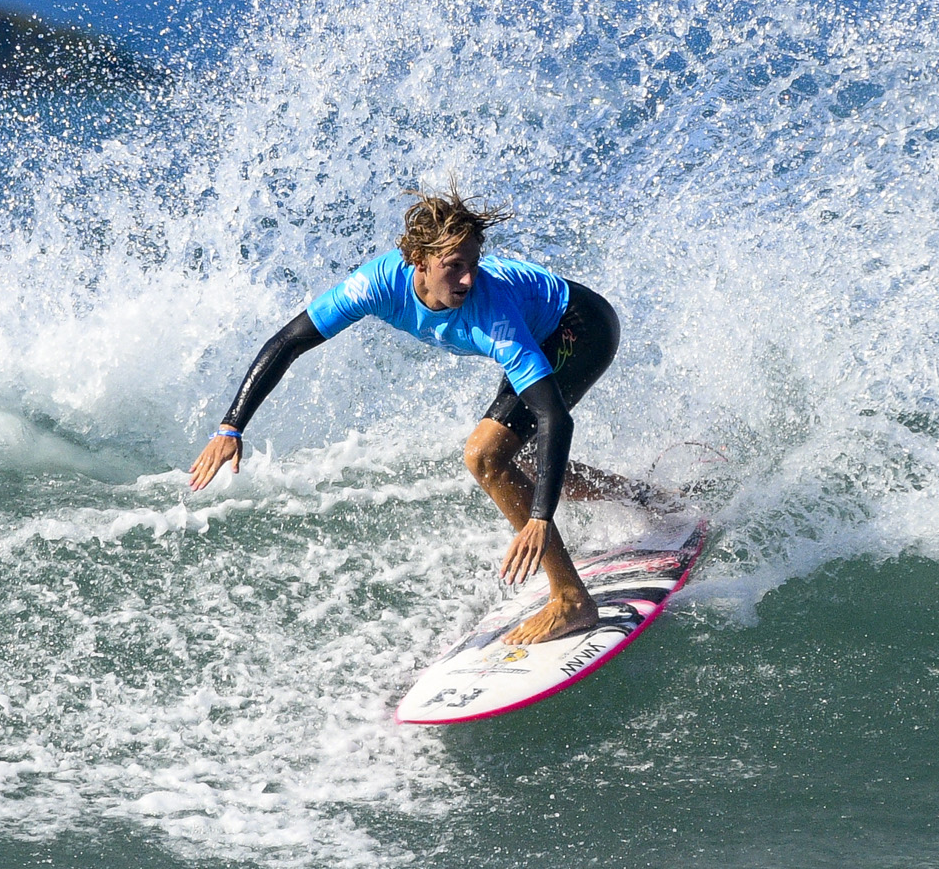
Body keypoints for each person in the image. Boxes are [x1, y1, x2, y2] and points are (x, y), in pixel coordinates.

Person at [188, 189, 656, 645]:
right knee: (525, 460)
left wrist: (540, 518)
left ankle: (572, 599)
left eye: (473, 264)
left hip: (579, 326)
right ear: (418, 262)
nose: (469, 279)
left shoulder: (490, 314)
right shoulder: (376, 285)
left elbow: (557, 418)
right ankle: (640, 496)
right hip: (547, 326)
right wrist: (231, 426)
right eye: (455, 267)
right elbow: (289, 340)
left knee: (486, 457)